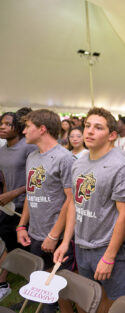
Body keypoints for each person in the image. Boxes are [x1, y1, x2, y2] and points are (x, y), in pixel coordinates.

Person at [54, 107, 125, 313]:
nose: (89, 131)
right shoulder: (79, 162)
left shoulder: (120, 167)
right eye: (87, 126)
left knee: (109, 305)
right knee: (85, 300)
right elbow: (74, 202)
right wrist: (65, 242)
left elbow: (124, 215)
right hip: (81, 246)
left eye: (98, 127)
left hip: (108, 249)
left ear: (112, 135)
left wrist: (109, 256)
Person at [18, 109, 76, 313]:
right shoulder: (32, 156)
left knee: (58, 289)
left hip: (56, 237)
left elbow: (71, 200)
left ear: (42, 129)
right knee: (40, 283)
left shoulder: (65, 158)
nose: (23, 131)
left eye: (27, 126)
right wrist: (21, 225)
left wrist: (54, 235)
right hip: (34, 232)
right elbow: (30, 193)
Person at [0, 110, 36, 255]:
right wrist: (6, 195)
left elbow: (37, 180)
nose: (3, 127)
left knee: (23, 240)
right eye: (1, 123)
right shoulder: (2, 150)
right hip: (10, 204)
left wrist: (14, 193)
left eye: (8, 124)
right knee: (5, 233)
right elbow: (5, 176)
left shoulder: (28, 147)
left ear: (18, 127)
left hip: (27, 204)